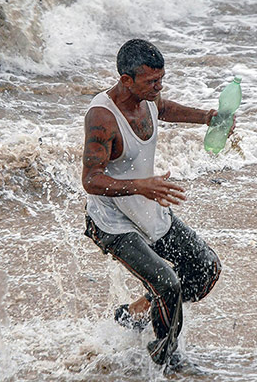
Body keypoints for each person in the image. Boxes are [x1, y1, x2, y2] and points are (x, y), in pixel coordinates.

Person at [81, 39, 232, 372]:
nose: (158, 87)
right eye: (151, 82)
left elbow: (165, 109)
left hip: (147, 208)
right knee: (167, 284)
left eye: (160, 80)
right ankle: (165, 358)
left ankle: (133, 313)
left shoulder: (147, 98)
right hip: (112, 223)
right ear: (126, 80)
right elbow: (91, 180)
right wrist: (142, 186)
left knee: (205, 270)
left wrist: (208, 117)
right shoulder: (103, 117)